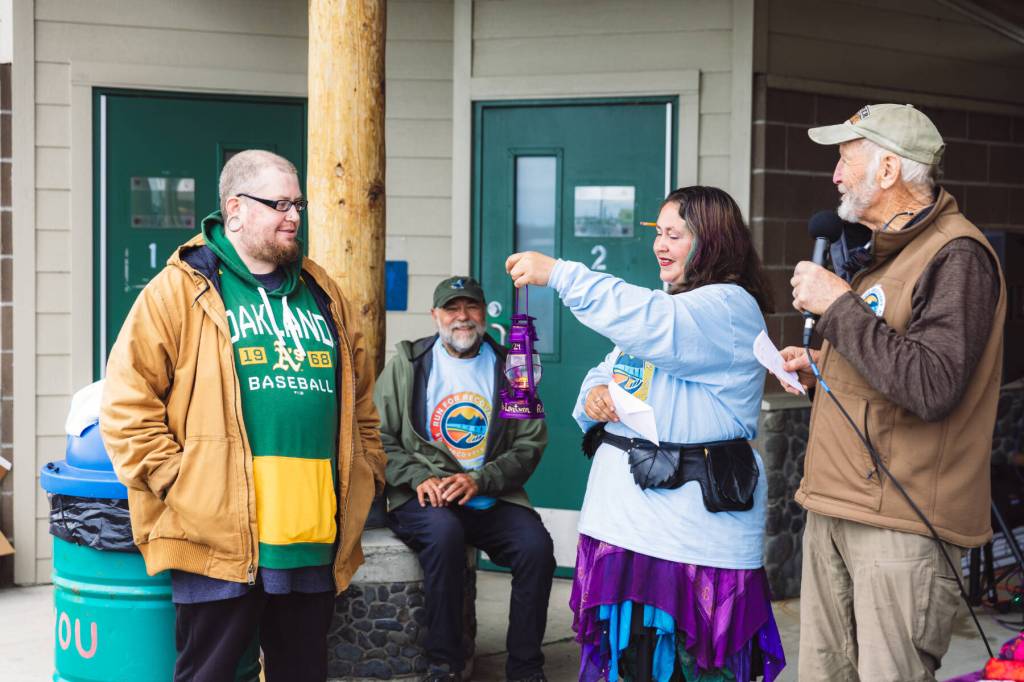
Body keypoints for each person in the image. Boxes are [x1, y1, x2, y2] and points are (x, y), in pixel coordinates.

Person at [100, 149, 386, 681]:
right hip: (216, 538)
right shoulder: (182, 289)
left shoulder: (323, 292)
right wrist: (181, 483)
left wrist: (367, 467)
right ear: (235, 209)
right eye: (279, 203)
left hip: (311, 537)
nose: (293, 216)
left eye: (298, 203)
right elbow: (126, 404)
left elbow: (362, 402)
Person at [507, 186, 786, 681]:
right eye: (657, 233)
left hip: (687, 541)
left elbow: (659, 327)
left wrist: (562, 274)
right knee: (628, 663)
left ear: (713, 242)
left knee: (683, 667)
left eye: (674, 235)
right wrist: (595, 394)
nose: (660, 245)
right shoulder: (672, 305)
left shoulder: (726, 306)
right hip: (625, 526)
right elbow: (617, 364)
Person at [780, 104, 1006, 681]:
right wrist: (821, 365)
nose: (834, 175)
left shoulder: (958, 256)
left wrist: (836, 305)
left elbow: (932, 385)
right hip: (836, 506)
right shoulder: (883, 255)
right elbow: (882, 360)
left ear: (887, 172)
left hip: (900, 526)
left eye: (844, 159)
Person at [375, 276, 555, 682]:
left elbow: (529, 443)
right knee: (444, 536)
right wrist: (418, 475)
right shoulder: (410, 362)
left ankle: (525, 667)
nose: (462, 318)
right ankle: (445, 661)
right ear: (435, 315)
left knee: (536, 549)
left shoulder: (512, 368)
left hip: (489, 495)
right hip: (425, 495)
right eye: (452, 309)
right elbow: (378, 435)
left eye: (470, 307)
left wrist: (482, 479)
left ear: (484, 313)